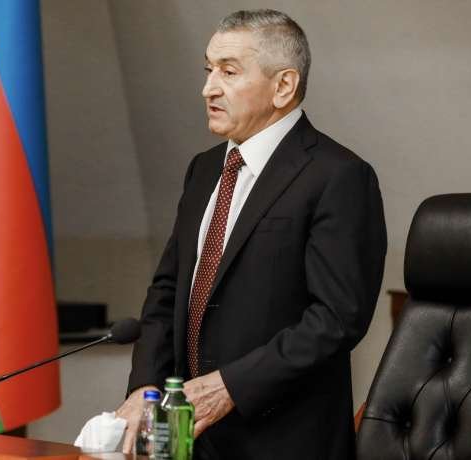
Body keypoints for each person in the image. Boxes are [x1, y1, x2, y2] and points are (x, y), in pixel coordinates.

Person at [116, 9, 387, 460]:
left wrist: (229, 387)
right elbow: (168, 290)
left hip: (282, 440)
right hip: (191, 436)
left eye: (228, 72)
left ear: (283, 86)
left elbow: (336, 319)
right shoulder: (204, 169)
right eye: (208, 70)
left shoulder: (338, 176)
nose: (208, 88)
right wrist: (145, 389)